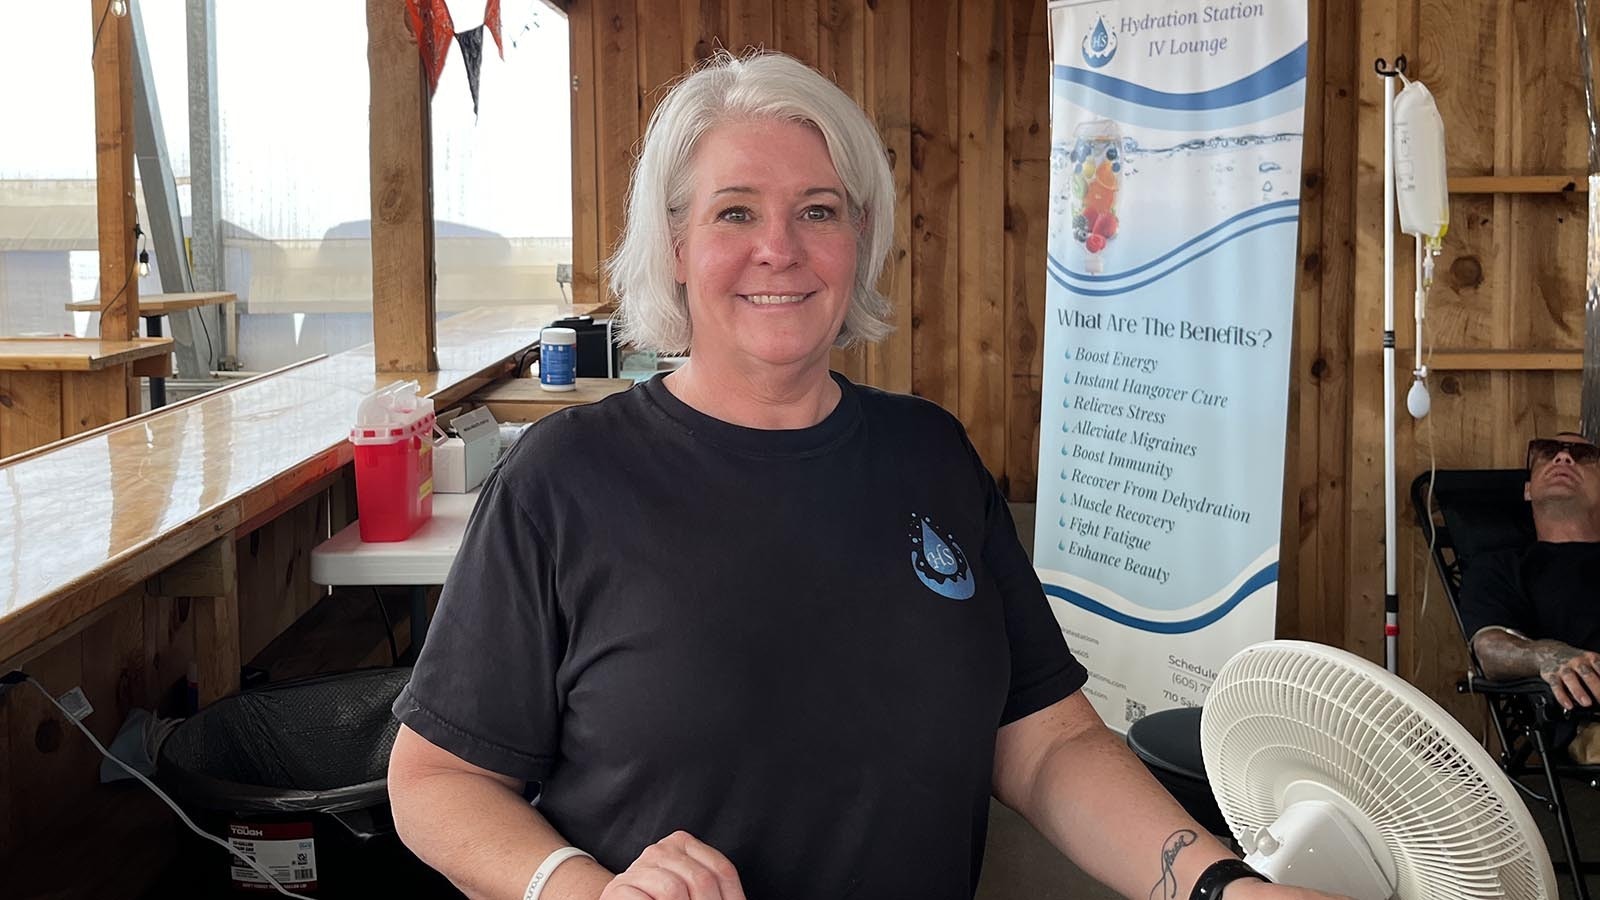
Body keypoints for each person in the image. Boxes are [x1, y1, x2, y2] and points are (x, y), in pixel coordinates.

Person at [386, 51, 1342, 900]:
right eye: (735, 212)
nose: (780, 247)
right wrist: (576, 888)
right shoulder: (566, 480)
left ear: (859, 241)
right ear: (675, 247)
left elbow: (1047, 743)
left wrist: (1221, 887)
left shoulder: (929, 453)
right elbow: (436, 780)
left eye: (818, 211)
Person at [1462, 432, 1600, 721]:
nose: (1563, 457)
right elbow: (1490, 647)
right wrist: (1546, 654)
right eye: (1547, 451)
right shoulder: (1499, 567)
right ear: (1527, 489)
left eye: (1583, 455)